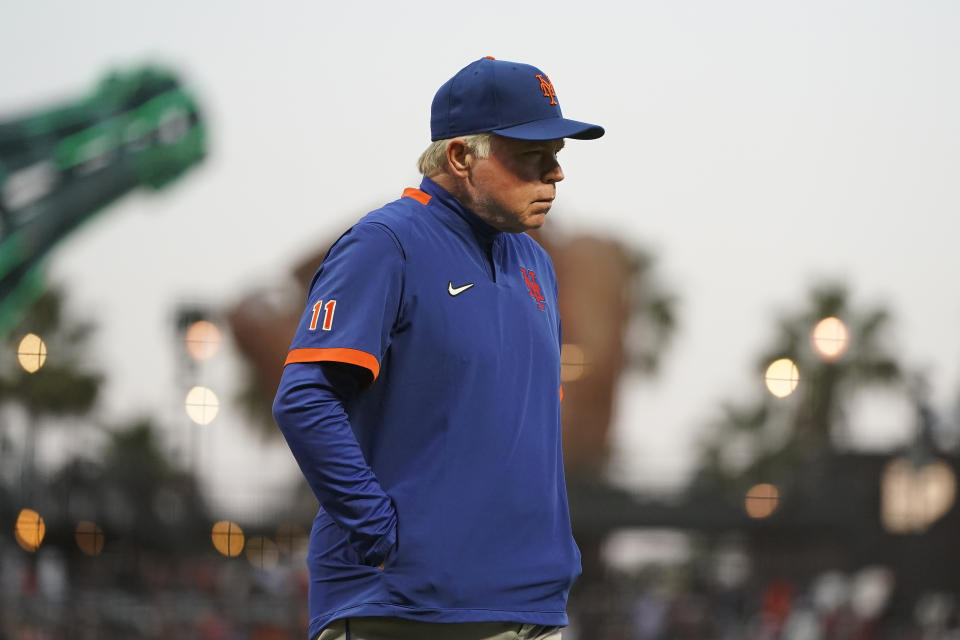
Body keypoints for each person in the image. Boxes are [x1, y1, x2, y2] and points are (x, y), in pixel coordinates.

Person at [272, 56, 604, 640]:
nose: (554, 173)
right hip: (403, 609)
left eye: (556, 155)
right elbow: (305, 400)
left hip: (529, 607)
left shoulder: (536, 265)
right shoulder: (386, 244)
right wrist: (384, 536)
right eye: (532, 156)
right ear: (460, 158)